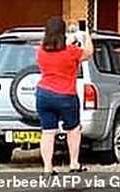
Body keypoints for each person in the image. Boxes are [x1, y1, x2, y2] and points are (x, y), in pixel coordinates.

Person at [35, 16, 93, 174]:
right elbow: (88, 53)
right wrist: (84, 35)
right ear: (63, 32)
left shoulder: (40, 51)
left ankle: (48, 167)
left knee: (47, 132)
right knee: (73, 130)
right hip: (66, 95)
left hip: (43, 94)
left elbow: (53, 49)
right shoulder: (71, 51)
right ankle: (74, 163)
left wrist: (70, 39)